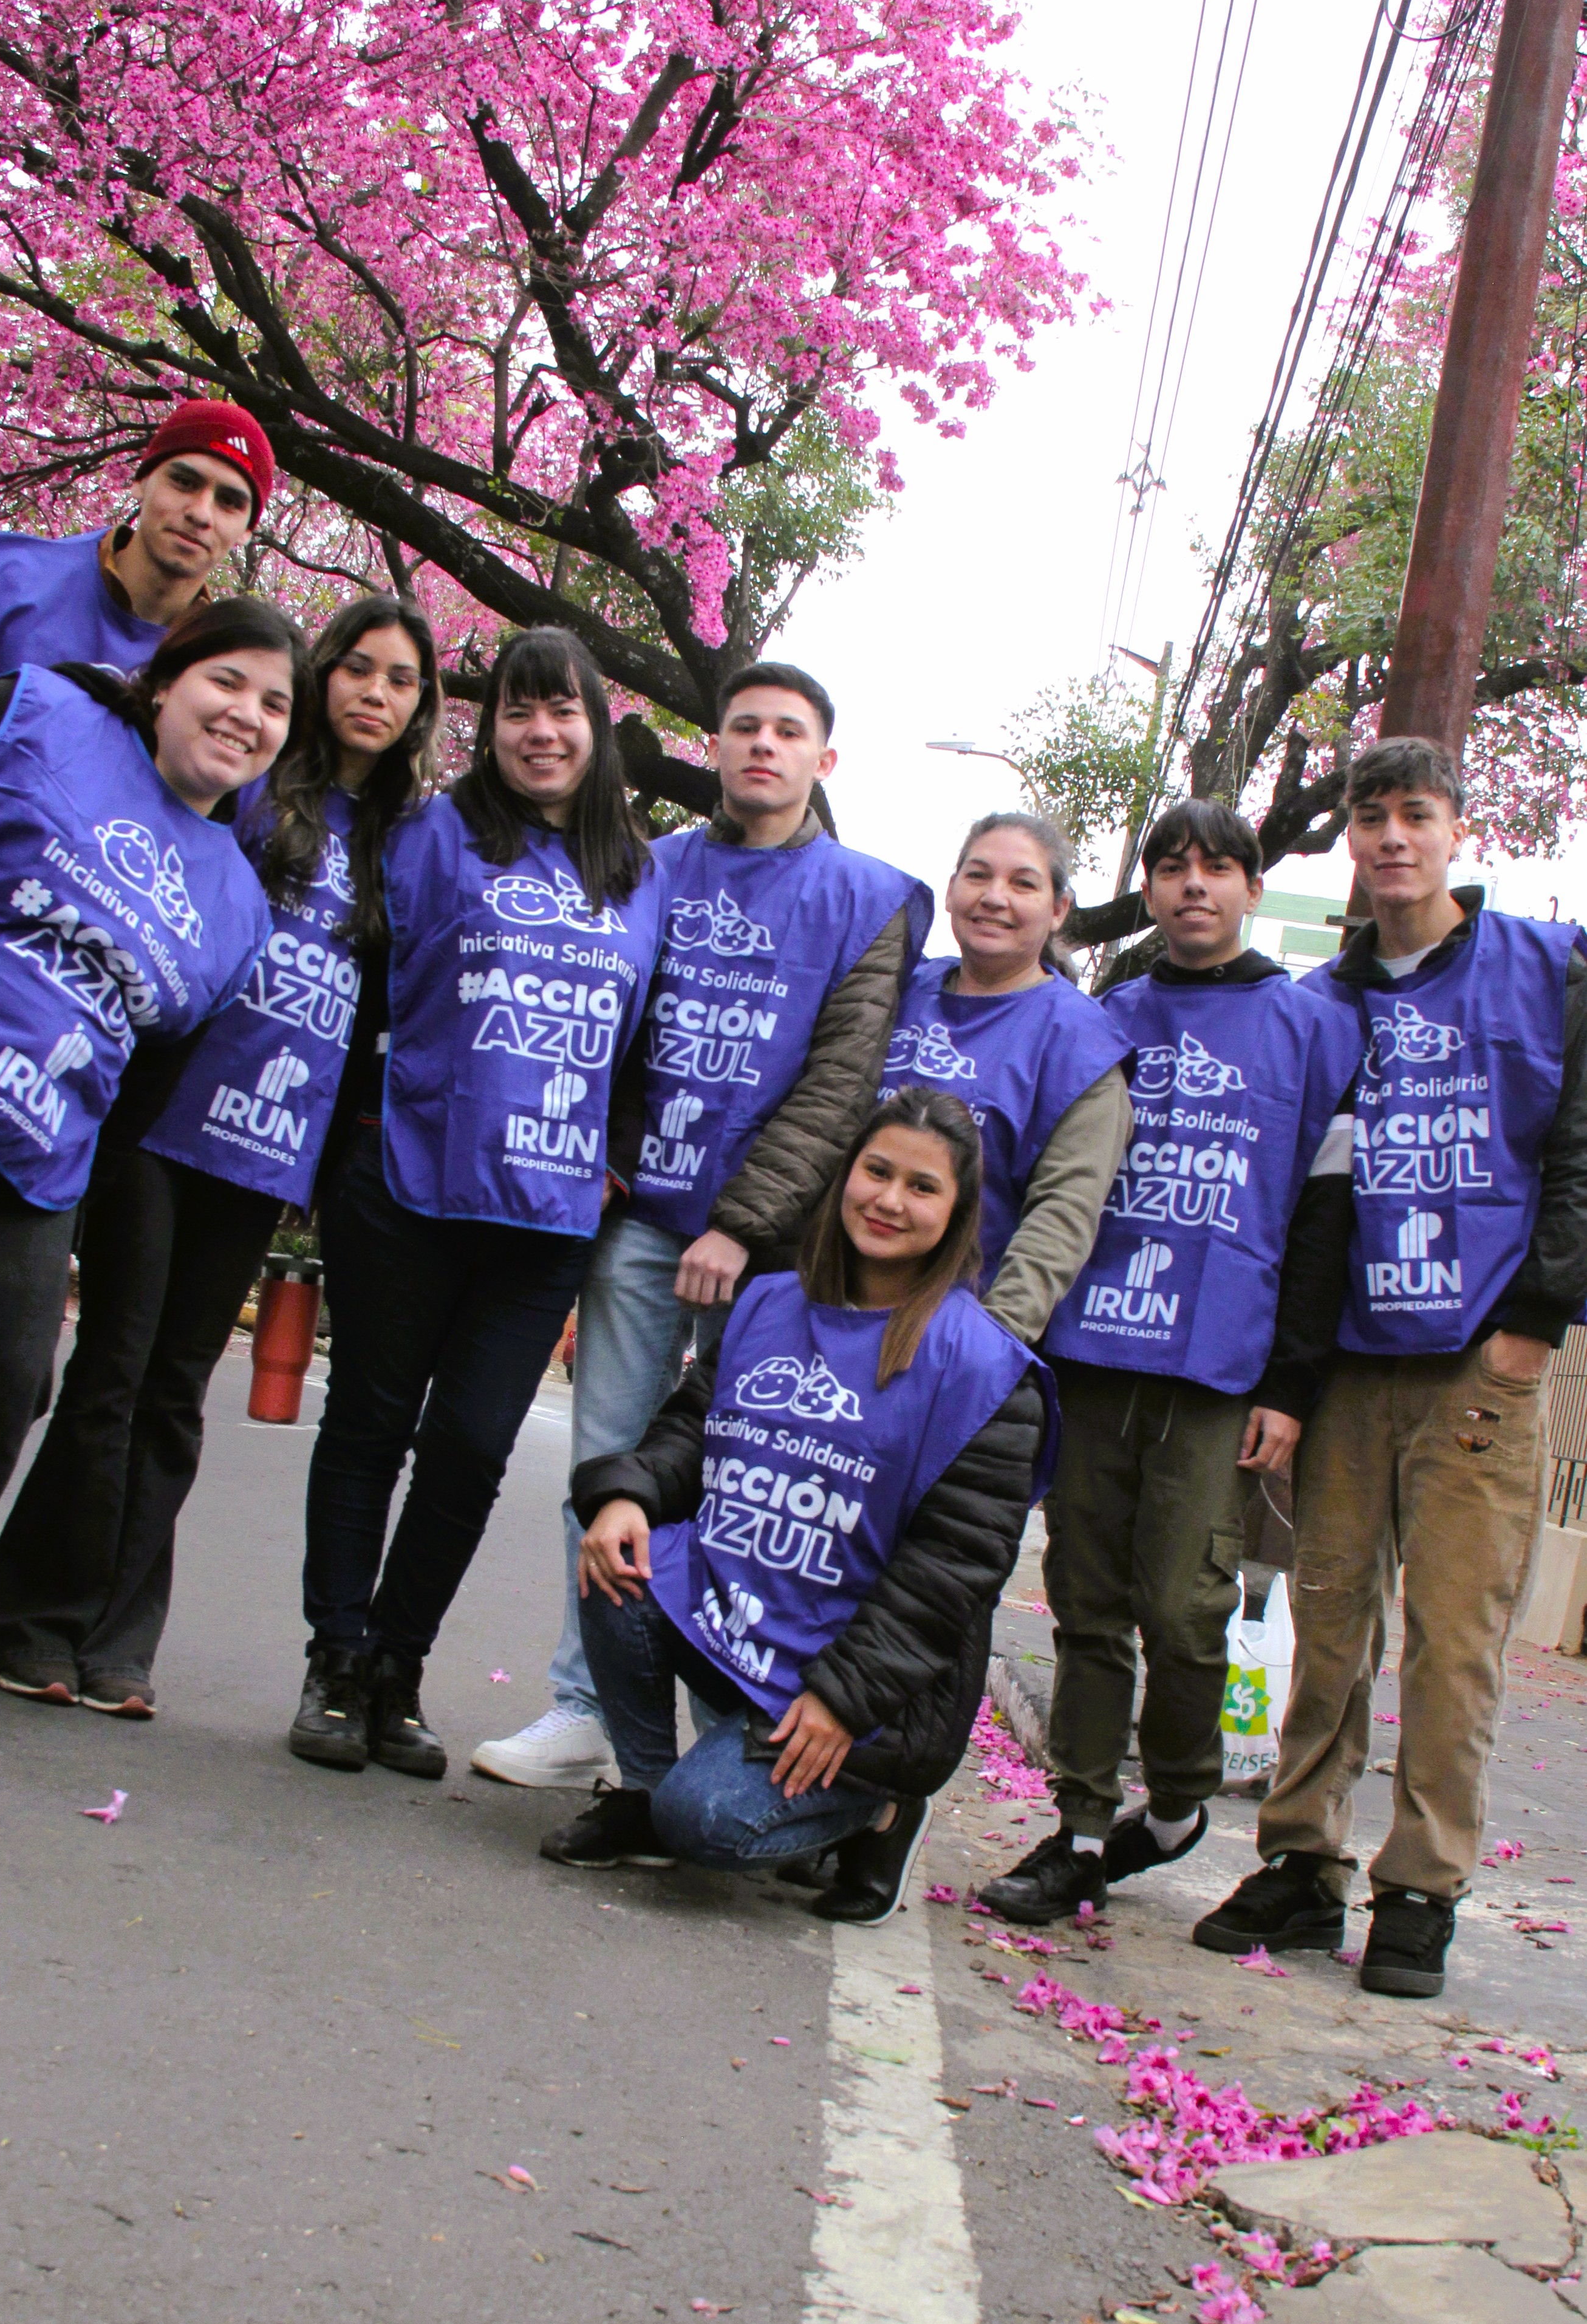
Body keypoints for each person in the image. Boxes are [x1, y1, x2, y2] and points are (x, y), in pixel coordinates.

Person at [0, 600, 302, 1714]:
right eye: (228, 681)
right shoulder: (35, 714)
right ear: (167, 677)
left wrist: (73, 1164)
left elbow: (154, 1072)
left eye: (276, 704)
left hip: (31, 1149)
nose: (248, 714)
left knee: (4, 1376)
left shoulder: (234, 900)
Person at [0, 593, 439, 1715]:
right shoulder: (254, 789)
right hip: (166, 1116)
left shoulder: (403, 841)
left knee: (178, 1389)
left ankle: (120, 1639)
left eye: (403, 680)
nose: (376, 692)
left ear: (421, 707)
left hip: (271, 1149)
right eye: (358, 669)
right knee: (113, 1370)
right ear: (321, 677)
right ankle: (34, 1620)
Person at [474, 660, 931, 1790]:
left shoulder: (868, 896)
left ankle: (724, 1718)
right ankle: (586, 1707)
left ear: (823, 760)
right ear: (715, 747)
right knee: (610, 1468)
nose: (762, 746)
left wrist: (738, 1221)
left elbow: (841, 1084)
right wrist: (613, 1158)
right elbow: (609, 1013)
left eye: (788, 731)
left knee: (739, 1480)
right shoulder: (653, 865)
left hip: (774, 1250)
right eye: (743, 728)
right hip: (639, 1220)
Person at [1195, 737, 1587, 1999]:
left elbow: (1578, 1146)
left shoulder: (1548, 969)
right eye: (1372, 820)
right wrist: (1292, 1382)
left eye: (1416, 815)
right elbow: (1311, 1209)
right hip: (1354, 1365)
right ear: (1351, 843)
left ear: (1458, 829)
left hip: (1480, 1361)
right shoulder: (1327, 1004)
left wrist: (1537, 1317)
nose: (1392, 840)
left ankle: (1420, 1889)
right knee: (1328, 1626)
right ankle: (1303, 1866)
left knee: (1454, 1643)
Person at [287, 625, 667, 1784]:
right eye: (516, 709)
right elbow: (357, 987)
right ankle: (335, 1660)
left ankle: (399, 1668)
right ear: (486, 726)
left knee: (468, 1449)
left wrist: (614, 1160)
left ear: (598, 729)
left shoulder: (641, 876)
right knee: (369, 1422)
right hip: (406, 1184)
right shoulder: (427, 838)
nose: (540, 732)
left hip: (546, 1222)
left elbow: (649, 1047)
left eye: (562, 711)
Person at [980, 799, 1363, 1926]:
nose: (1194, 883)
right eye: (1170, 866)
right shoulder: (1107, 1018)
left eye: (1218, 866)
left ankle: (1183, 1796)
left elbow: (1322, 1222)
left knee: (1188, 1611)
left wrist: (1288, 1386)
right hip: (1091, 1354)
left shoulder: (1311, 1028)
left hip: (1218, 1372)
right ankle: (1083, 1825)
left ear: (1252, 885)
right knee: (1087, 1604)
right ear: (1144, 888)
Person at [535, 1090, 1054, 1913]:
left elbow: (951, 1572)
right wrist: (629, 1495)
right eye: (876, 1171)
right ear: (844, 1176)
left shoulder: (985, 1371)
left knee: (706, 1822)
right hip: (743, 1612)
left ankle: (878, 1811)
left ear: (957, 1214)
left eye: (922, 1187)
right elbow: (689, 1431)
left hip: (862, 1676)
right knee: (615, 1554)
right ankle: (639, 1792)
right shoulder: (772, 1302)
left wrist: (846, 1697)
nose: (889, 1200)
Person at [0, 401, 276, 760]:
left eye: (229, 503)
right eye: (183, 482)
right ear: (140, 482)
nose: (200, 513)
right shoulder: (3, 575)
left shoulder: (221, 665)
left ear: (248, 531)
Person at [879, 810, 1135, 1330]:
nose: (995, 897)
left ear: (1059, 909)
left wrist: (989, 1343)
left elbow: (1061, 1218)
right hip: (836, 1301)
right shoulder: (895, 990)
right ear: (950, 891)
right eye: (978, 876)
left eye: (1023, 884)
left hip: (956, 1324)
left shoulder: (1080, 1043)